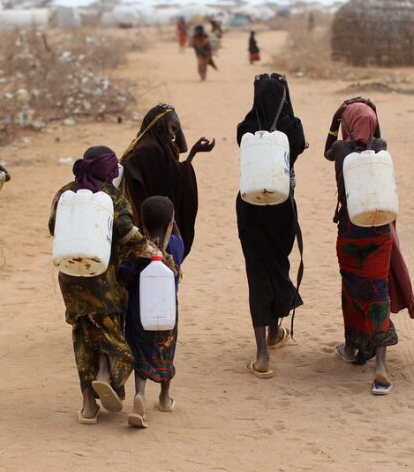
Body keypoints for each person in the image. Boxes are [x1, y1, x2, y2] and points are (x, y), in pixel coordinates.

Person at [48, 146, 165, 424]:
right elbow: (128, 235)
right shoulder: (112, 198)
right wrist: (155, 252)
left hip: (70, 278)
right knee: (109, 328)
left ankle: (89, 406)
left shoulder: (64, 192)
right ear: (109, 170)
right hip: (103, 279)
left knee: (82, 333)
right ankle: (105, 374)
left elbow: (54, 228)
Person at [323, 97, 414, 395]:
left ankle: (355, 348)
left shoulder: (340, 150)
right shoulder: (381, 148)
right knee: (378, 291)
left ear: (347, 124)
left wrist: (335, 119)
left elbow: (327, 150)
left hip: (351, 231)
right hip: (379, 233)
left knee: (353, 290)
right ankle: (380, 366)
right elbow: (376, 139)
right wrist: (374, 115)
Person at [236, 73, 307, 378]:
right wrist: (285, 91)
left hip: (250, 208)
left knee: (257, 271)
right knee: (279, 265)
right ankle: (273, 333)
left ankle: (262, 354)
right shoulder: (292, 127)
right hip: (281, 208)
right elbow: (299, 147)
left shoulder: (246, 128)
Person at [120, 103, 215, 259]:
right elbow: (170, 182)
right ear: (159, 126)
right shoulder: (151, 150)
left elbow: (172, 174)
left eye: (176, 130)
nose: (173, 135)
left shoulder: (152, 144)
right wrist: (190, 159)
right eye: (172, 129)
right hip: (150, 223)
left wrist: (192, 154)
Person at [122, 196, 184, 429]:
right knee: (166, 351)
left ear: (143, 224)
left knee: (141, 354)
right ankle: (164, 398)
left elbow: (124, 274)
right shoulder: (177, 245)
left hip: (139, 313)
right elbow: (177, 237)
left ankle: (139, 393)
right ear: (171, 223)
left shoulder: (137, 250)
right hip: (167, 312)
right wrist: (172, 222)